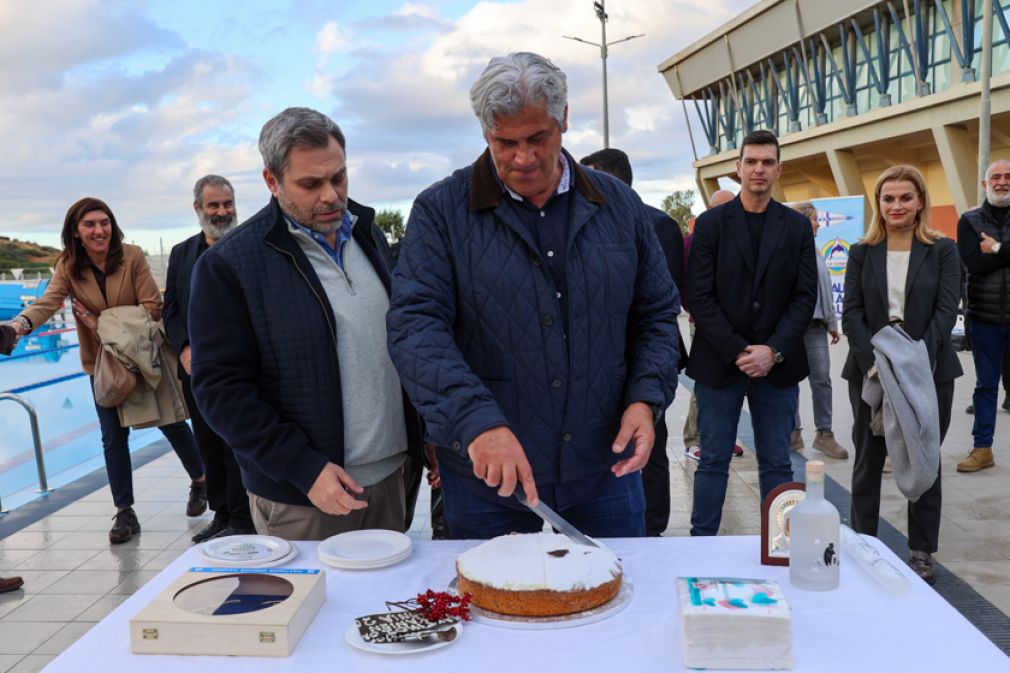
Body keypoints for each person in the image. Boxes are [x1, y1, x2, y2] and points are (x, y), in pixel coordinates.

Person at [387, 52, 680, 540]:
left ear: (564, 119)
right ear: (485, 133)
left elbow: (655, 315)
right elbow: (415, 329)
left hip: (605, 472)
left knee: (619, 603)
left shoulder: (619, 205)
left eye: (538, 138)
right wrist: (476, 423)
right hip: (488, 482)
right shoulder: (440, 211)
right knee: (492, 611)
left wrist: (645, 399)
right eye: (506, 142)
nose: (523, 158)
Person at [188, 107, 422, 541]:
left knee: (383, 606)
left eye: (339, 177)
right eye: (311, 184)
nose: (331, 195)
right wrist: (303, 468)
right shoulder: (230, 265)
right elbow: (219, 390)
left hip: (391, 478)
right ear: (272, 182)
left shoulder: (368, 234)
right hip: (304, 496)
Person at [12, 197, 207, 544]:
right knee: (113, 436)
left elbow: (152, 307)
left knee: (172, 423)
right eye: (90, 224)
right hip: (103, 365)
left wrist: (100, 322)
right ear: (76, 231)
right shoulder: (68, 265)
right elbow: (49, 302)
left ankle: (200, 480)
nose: (99, 230)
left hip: (143, 356)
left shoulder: (130, 256)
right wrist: (19, 325)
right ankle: (125, 511)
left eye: (104, 222)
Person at [686, 129, 817, 537]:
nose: (759, 169)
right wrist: (740, 349)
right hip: (720, 363)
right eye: (751, 161)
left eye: (767, 162)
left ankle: (778, 545)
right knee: (712, 460)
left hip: (776, 367)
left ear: (779, 169)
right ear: (738, 168)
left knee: (777, 461)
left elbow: (804, 296)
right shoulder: (710, 225)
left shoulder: (795, 227)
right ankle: (701, 543)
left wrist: (772, 351)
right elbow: (699, 295)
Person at [842, 165, 961, 584]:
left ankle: (921, 552)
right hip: (871, 370)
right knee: (867, 462)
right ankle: (863, 543)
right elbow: (851, 313)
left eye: (905, 198)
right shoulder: (861, 252)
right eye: (888, 198)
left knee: (925, 459)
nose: (896, 205)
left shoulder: (943, 250)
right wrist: (874, 362)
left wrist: (913, 361)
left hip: (928, 370)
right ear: (878, 204)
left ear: (920, 202)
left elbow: (947, 311)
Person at [578, 147, 683, 537]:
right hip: (595, 367)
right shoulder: (580, 223)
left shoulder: (658, 225)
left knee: (650, 448)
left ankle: (652, 526)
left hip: (642, 362)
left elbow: (659, 304)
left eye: (589, 176)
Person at [164, 175, 255, 542]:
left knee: (237, 445)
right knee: (208, 443)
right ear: (198, 208)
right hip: (196, 371)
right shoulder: (182, 253)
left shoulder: (249, 247)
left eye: (227, 204)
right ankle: (221, 514)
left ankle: (243, 516)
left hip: (239, 370)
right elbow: (170, 310)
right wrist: (184, 348)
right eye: (213, 205)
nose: (222, 211)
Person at [681, 189, 745, 462]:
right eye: (724, 207)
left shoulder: (738, 238)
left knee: (729, 384)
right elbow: (686, 282)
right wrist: (695, 313)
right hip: (705, 325)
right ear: (709, 210)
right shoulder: (694, 241)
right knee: (704, 384)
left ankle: (721, 438)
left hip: (736, 330)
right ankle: (694, 438)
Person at [955, 159, 1010, 473]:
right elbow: (974, 264)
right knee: (985, 386)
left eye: (1008, 176)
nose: (1002, 182)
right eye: (996, 177)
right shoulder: (969, 220)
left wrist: (997, 248)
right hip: (984, 318)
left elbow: (988, 256)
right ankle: (982, 448)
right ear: (985, 184)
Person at [788, 202, 848, 459]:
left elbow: (825, 289)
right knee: (788, 381)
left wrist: (832, 323)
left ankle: (825, 434)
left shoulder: (816, 251)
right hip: (790, 326)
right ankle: (792, 431)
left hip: (815, 326)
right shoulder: (786, 250)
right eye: (814, 219)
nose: (818, 224)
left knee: (822, 379)